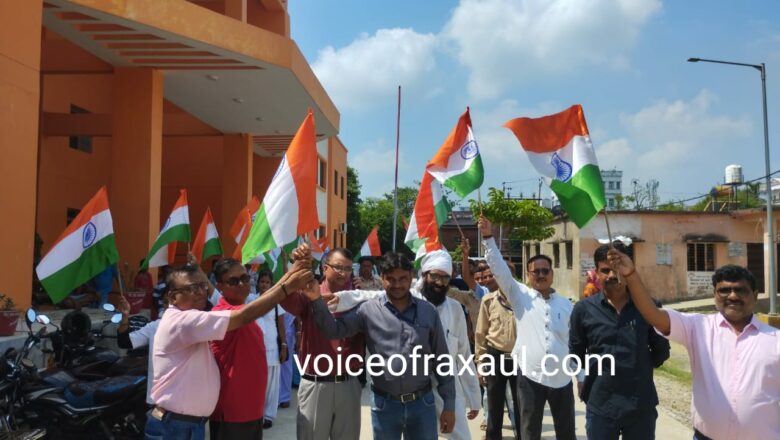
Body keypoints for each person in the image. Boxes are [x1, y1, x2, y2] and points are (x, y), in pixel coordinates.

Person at [607, 249, 780, 440]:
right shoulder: (698, 327)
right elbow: (653, 314)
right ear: (715, 295)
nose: (732, 296)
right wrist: (630, 275)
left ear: (755, 296)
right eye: (724, 290)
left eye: (740, 290)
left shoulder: (774, 339)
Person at [150, 261, 313, 439]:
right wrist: (286, 288)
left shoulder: (204, 318)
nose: (200, 292)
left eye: (202, 286)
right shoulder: (183, 321)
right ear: (173, 297)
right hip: (197, 421)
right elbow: (244, 316)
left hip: (199, 421)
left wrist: (293, 272)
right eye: (191, 288)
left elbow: (248, 310)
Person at [304, 250, 457, 440]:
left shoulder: (428, 312)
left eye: (403, 278)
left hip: (422, 405)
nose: (397, 284)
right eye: (391, 279)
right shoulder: (367, 311)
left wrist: (450, 406)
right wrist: (316, 301)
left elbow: (442, 360)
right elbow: (334, 331)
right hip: (385, 406)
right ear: (382, 278)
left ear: (411, 277)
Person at [332, 249, 481, 440]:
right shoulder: (407, 297)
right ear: (423, 275)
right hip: (414, 391)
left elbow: (463, 355)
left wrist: (474, 397)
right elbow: (368, 297)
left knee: (461, 436)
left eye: (445, 278)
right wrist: (342, 299)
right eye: (434, 276)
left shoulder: (455, 309)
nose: (439, 282)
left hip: (446, 387)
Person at [479, 215, 576, 440]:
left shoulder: (566, 304)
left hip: (561, 378)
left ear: (552, 274)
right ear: (529, 275)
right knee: (529, 432)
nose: (541, 275)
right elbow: (499, 269)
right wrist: (487, 237)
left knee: (567, 432)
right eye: (536, 272)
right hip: (530, 377)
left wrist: (579, 375)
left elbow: (573, 342)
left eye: (545, 271)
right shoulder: (520, 296)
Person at [569, 242, 670, 440]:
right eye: (605, 270)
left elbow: (661, 352)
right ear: (596, 273)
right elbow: (576, 352)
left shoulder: (649, 307)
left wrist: (636, 364)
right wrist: (585, 379)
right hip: (600, 403)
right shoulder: (583, 309)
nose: (612, 276)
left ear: (627, 268)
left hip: (640, 404)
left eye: (616, 269)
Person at [278, 248, 364, 440]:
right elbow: (282, 296)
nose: (344, 273)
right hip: (316, 384)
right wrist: (295, 267)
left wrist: (366, 293)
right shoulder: (309, 292)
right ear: (325, 268)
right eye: (339, 267)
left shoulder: (358, 297)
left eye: (349, 268)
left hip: (348, 384)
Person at [475, 261, 520, 440]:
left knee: (521, 403)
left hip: (520, 358)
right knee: (494, 405)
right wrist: (481, 363)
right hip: (495, 356)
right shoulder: (489, 300)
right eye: (500, 273)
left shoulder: (526, 300)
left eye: (508, 273)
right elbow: (481, 333)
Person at [248, 269, 288, 429]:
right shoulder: (251, 299)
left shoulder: (276, 302)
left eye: (267, 282)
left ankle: (268, 415)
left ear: (272, 284)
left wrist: (284, 346)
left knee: (271, 383)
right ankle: (255, 414)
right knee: (256, 382)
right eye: (262, 281)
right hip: (255, 347)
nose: (264, 284)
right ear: (258, 283)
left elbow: (281, 325)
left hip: (272, 345)